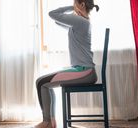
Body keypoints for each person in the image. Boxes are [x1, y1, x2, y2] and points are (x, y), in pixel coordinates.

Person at [35, 0, 99, 128]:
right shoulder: (82, 22)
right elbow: (57, 21)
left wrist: (72, 8)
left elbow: (52, 13)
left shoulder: (80, 22)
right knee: (44, 83)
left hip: (84, 71)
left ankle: (47, 122)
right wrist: (76, 9)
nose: (73, 5)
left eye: (75, 3)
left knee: (41, 83)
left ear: (82, 5)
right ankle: (50, 122)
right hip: (83, 70)